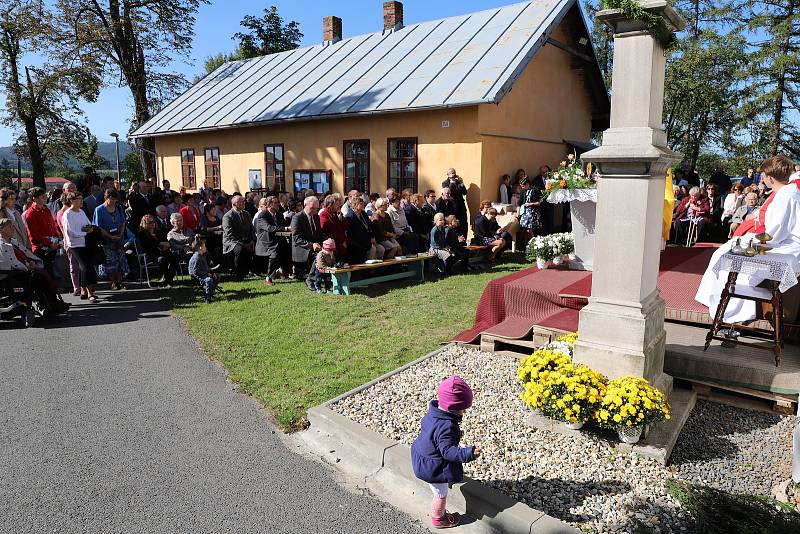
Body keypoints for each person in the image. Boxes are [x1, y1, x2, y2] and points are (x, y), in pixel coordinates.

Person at [696, 155, 800, 323]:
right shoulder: (790, 192)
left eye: (763, 176)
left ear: (770, 178)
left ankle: (732, 311)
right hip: (784, 243)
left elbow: (774, 235)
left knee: (733, 257)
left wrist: (750, 243)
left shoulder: (785, 197)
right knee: (731, 251)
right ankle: (719, 300)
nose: (762, 179)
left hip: (784, 246)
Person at [411, 375, 481, 529]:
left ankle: (439, 514)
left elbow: (436, 436)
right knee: (440, 494)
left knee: (439, 490)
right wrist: (468, 453)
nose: (464, 412)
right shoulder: (447, 426)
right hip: (432, 469)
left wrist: (454, 436)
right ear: (453, 408)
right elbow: (448, 452)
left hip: (420, 456)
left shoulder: (433, 414)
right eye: (463, 409)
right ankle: (439, 518)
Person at [0, 218, 68, 315]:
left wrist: (32, 262)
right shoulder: (1, 245)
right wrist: (27, 266)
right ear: (2, 230)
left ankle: (50, 303)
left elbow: (26, 254)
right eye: (9, 227)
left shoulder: (13, 242)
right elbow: (7, 263)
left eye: (12, 226)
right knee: (39, 277)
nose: (13, 229)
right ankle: (49, 304)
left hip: (24, 270)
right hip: (14, 274)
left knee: (42, 274)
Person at [61, 192, 99, 302]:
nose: (82, 201)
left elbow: (88, 224)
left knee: (88, 266)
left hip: (85, 243)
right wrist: (85, 233)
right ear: (71, 200)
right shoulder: (67, 214)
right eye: (79, 199)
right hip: (75, 245)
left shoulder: (81, 212)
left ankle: (85, 290)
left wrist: (89, 229)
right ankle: (89, 293)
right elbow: (70, 233)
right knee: (85, 266)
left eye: (82, 199)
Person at [93, 189, 130, 290]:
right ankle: (113, 282)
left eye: (115, 200)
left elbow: (123, 222)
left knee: (120, 259)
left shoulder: (118, 207)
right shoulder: (99, 210)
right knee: (110, 261)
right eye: (112, 199)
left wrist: (121, 233)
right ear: (107, 198)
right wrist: (110, 236)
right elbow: (98, 226)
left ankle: (121, 281)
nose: (114, 202)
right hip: (106, 239)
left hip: (119, 237)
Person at [23, 187, 62, 274]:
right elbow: (34, 234)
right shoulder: (30, 213)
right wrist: (49, 244)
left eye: (45, 196)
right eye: (42, 196)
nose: (45, 198)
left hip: (52, 245)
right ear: (35, 198)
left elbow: (53, 227)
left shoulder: (46, 210)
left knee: (50, 271)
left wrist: (58, 240)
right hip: (40, 248)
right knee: (43, 273)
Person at [254, 196, 290, 286]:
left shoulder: (279, 214)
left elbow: (284, 225)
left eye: (278, 202)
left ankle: (283, 271)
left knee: (290, 248)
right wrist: (286, 228)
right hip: (266, 242)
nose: (278, 204)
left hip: (278, 240)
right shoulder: (262, 215)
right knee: (274, 254)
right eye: (276, 202)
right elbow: (269, 228)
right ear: (269, 204)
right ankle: (268, 278)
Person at [291, 195, 323, 290]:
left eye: (317, 209)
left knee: (329, 251)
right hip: (302, 248)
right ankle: (310, 279)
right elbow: (297, 238)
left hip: (314, 246)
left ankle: (325, 278)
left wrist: (326, 242)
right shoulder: (297, 217)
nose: (314, 211)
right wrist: (311, 245)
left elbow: (319, 235)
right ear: (305, 205)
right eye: (312, 208)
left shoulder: (316, 217)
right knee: (319, 255)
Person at [137, 214, 177, 286]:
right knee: (162, 260)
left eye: (153, 222)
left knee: (175, 256)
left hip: (163, 252)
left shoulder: (158, 232)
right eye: (150, 222)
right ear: (144, 224)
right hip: (150, 254)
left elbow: (167, 243)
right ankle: (167, 279)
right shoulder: (142, 234)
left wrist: (161, 244)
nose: (153, 224)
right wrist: (159, 244)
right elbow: (148, 245)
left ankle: (169, 278)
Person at [222, 195, 255, 280]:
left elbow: (251, 229)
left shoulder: (246, 214)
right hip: (232, 241)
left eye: (244, 201)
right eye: (241, 202)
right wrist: (244, 244)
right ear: (234, 204)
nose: (244, 203)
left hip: (246, 240)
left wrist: (251, 240)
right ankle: (238, 273)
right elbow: (230, 234)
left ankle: (253, 270)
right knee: (240, 249)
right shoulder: (227, 216)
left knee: (256, 245)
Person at [345, 197, 384, 264]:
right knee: (373, 249)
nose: (363, 205)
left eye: (363, 204)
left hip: (368, 239)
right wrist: (369, 240)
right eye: (361, 204)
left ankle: (378, 267)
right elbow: (356, 233)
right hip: (359, 241)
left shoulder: (363, 213)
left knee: (381, 249)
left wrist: (372, 237)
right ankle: (370, 269)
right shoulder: (350, 216)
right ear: (355, 205)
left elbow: (369, 226)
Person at [319, 193, 349, 260]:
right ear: (331, 205)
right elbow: (327, 229)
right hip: (333, 245)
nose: (338, 206)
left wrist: (341, 219)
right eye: (336, 204)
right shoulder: (324, 214)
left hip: (342, 243)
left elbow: (346, 226)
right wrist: (340, 242)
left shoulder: (336, 214)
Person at [188, 238, 218, 303]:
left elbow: (205, 267)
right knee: (209, 280)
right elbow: (195, 271)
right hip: (197, 276)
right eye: (204, 246)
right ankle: (207, 297)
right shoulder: (196, 258)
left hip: (202, 273)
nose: (206, 247)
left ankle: (210, 292)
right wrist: (207, 274)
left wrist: (212, 272)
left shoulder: (202, 255)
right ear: (200, 248)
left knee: (217, 276)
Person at [2, 188, 31, 252]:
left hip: (23, 247)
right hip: (10, 249)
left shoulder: (16, 212)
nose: (14, 201)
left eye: (15, 199)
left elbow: (23, 230)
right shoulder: (2, 214)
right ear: (5, 200)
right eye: (12, 199)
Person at [442, 168, 468, 237]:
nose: (453, 175)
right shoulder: (445, 183)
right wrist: (452, 183)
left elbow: (464, 192)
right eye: (452, 173)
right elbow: (449, 192)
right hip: (452, 207)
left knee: (463, 225)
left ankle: (464, 240)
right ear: (448, 175)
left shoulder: (458, 181)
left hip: (461, 207)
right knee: (455, 226)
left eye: (454, 173)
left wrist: (462, 183)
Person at [517, 178, 542, 246]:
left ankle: (534, 243)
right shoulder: (523, 191)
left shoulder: (535, 190)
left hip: (532, 212)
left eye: (523, 186)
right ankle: (527, 244)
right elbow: (519, 203)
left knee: (529, 230)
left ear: (527, 184)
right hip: (524, 212)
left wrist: (531, 204)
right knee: (525, 229)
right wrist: (518, 213)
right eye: (521, 186)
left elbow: (539, 202)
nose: (522, 187)